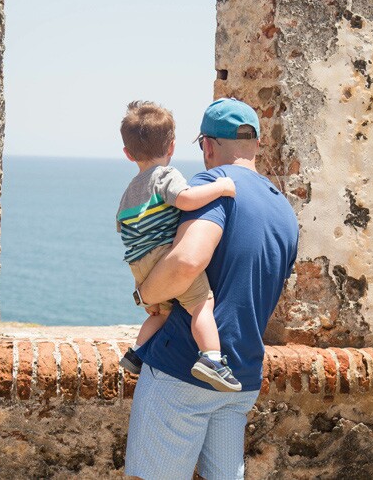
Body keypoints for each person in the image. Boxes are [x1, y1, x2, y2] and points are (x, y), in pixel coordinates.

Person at [125, 98, 299, 479]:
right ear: (255, 143)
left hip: (184, 371)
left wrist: (146, 295)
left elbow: (188, 260)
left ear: (207, 145)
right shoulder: (284, 211)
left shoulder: (213, 185)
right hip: (241, 376)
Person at [116, 100, 242, 392]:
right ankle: (212, 359)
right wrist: (221, 187)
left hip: (138, 264)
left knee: (162, 312)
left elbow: (122, 228)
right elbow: (185, 199)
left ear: (127, 154)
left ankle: (136, 352)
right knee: (202, 305)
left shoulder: (128, 192)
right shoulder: (165, 175)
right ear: (171, 147)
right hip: (164, 255)